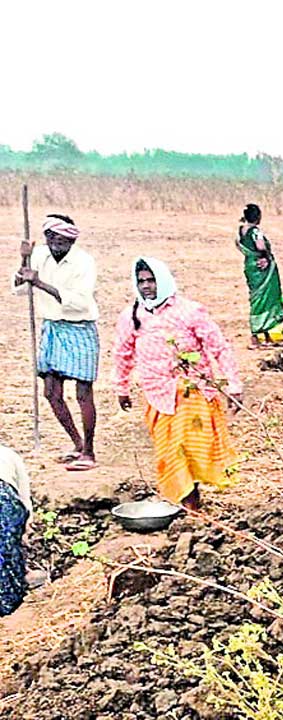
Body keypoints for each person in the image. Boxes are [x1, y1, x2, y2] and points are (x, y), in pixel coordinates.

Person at [114, 258, 242, 510]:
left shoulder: (190, 312)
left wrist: (234, 385)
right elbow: (122, 353)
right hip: (157, 396)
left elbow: (218, 347)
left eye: (151, 280)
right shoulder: (132, 316)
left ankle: (191, 505)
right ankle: (187, 504)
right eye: (141, 281)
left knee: (186, 447)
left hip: (191, 391)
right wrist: (121, 387)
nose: (147, 286)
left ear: (162, 280)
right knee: (170, 452)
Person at [14, 215, 99, 470]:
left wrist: (39, 282)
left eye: (60, 237)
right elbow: (19, 288)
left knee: (83, 393)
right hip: (51, 327)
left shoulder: (84, 262)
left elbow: (80, 301)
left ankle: (90, 452)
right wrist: (24, 260)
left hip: (80, 329)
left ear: (72, 238)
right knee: (51, 392)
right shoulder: (38, 255)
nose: (54, 241)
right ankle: (77, 444)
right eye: (50, 236)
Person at [236, 204, 283, 348]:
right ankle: (256, 336)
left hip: (250, 265)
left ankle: (265, 335)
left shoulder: (240, 230)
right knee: (263, 299)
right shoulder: (255, 232)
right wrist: (264, 256)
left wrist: (251, 256)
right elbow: (261, 246)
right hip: (261, 268)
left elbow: (239, 245)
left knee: (258, 298)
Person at [0, 444, 32, 616]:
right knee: (7, 557)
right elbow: (25, 499)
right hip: (7, 505)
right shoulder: (9, 454)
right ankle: (9, 605)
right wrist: (25, 531)